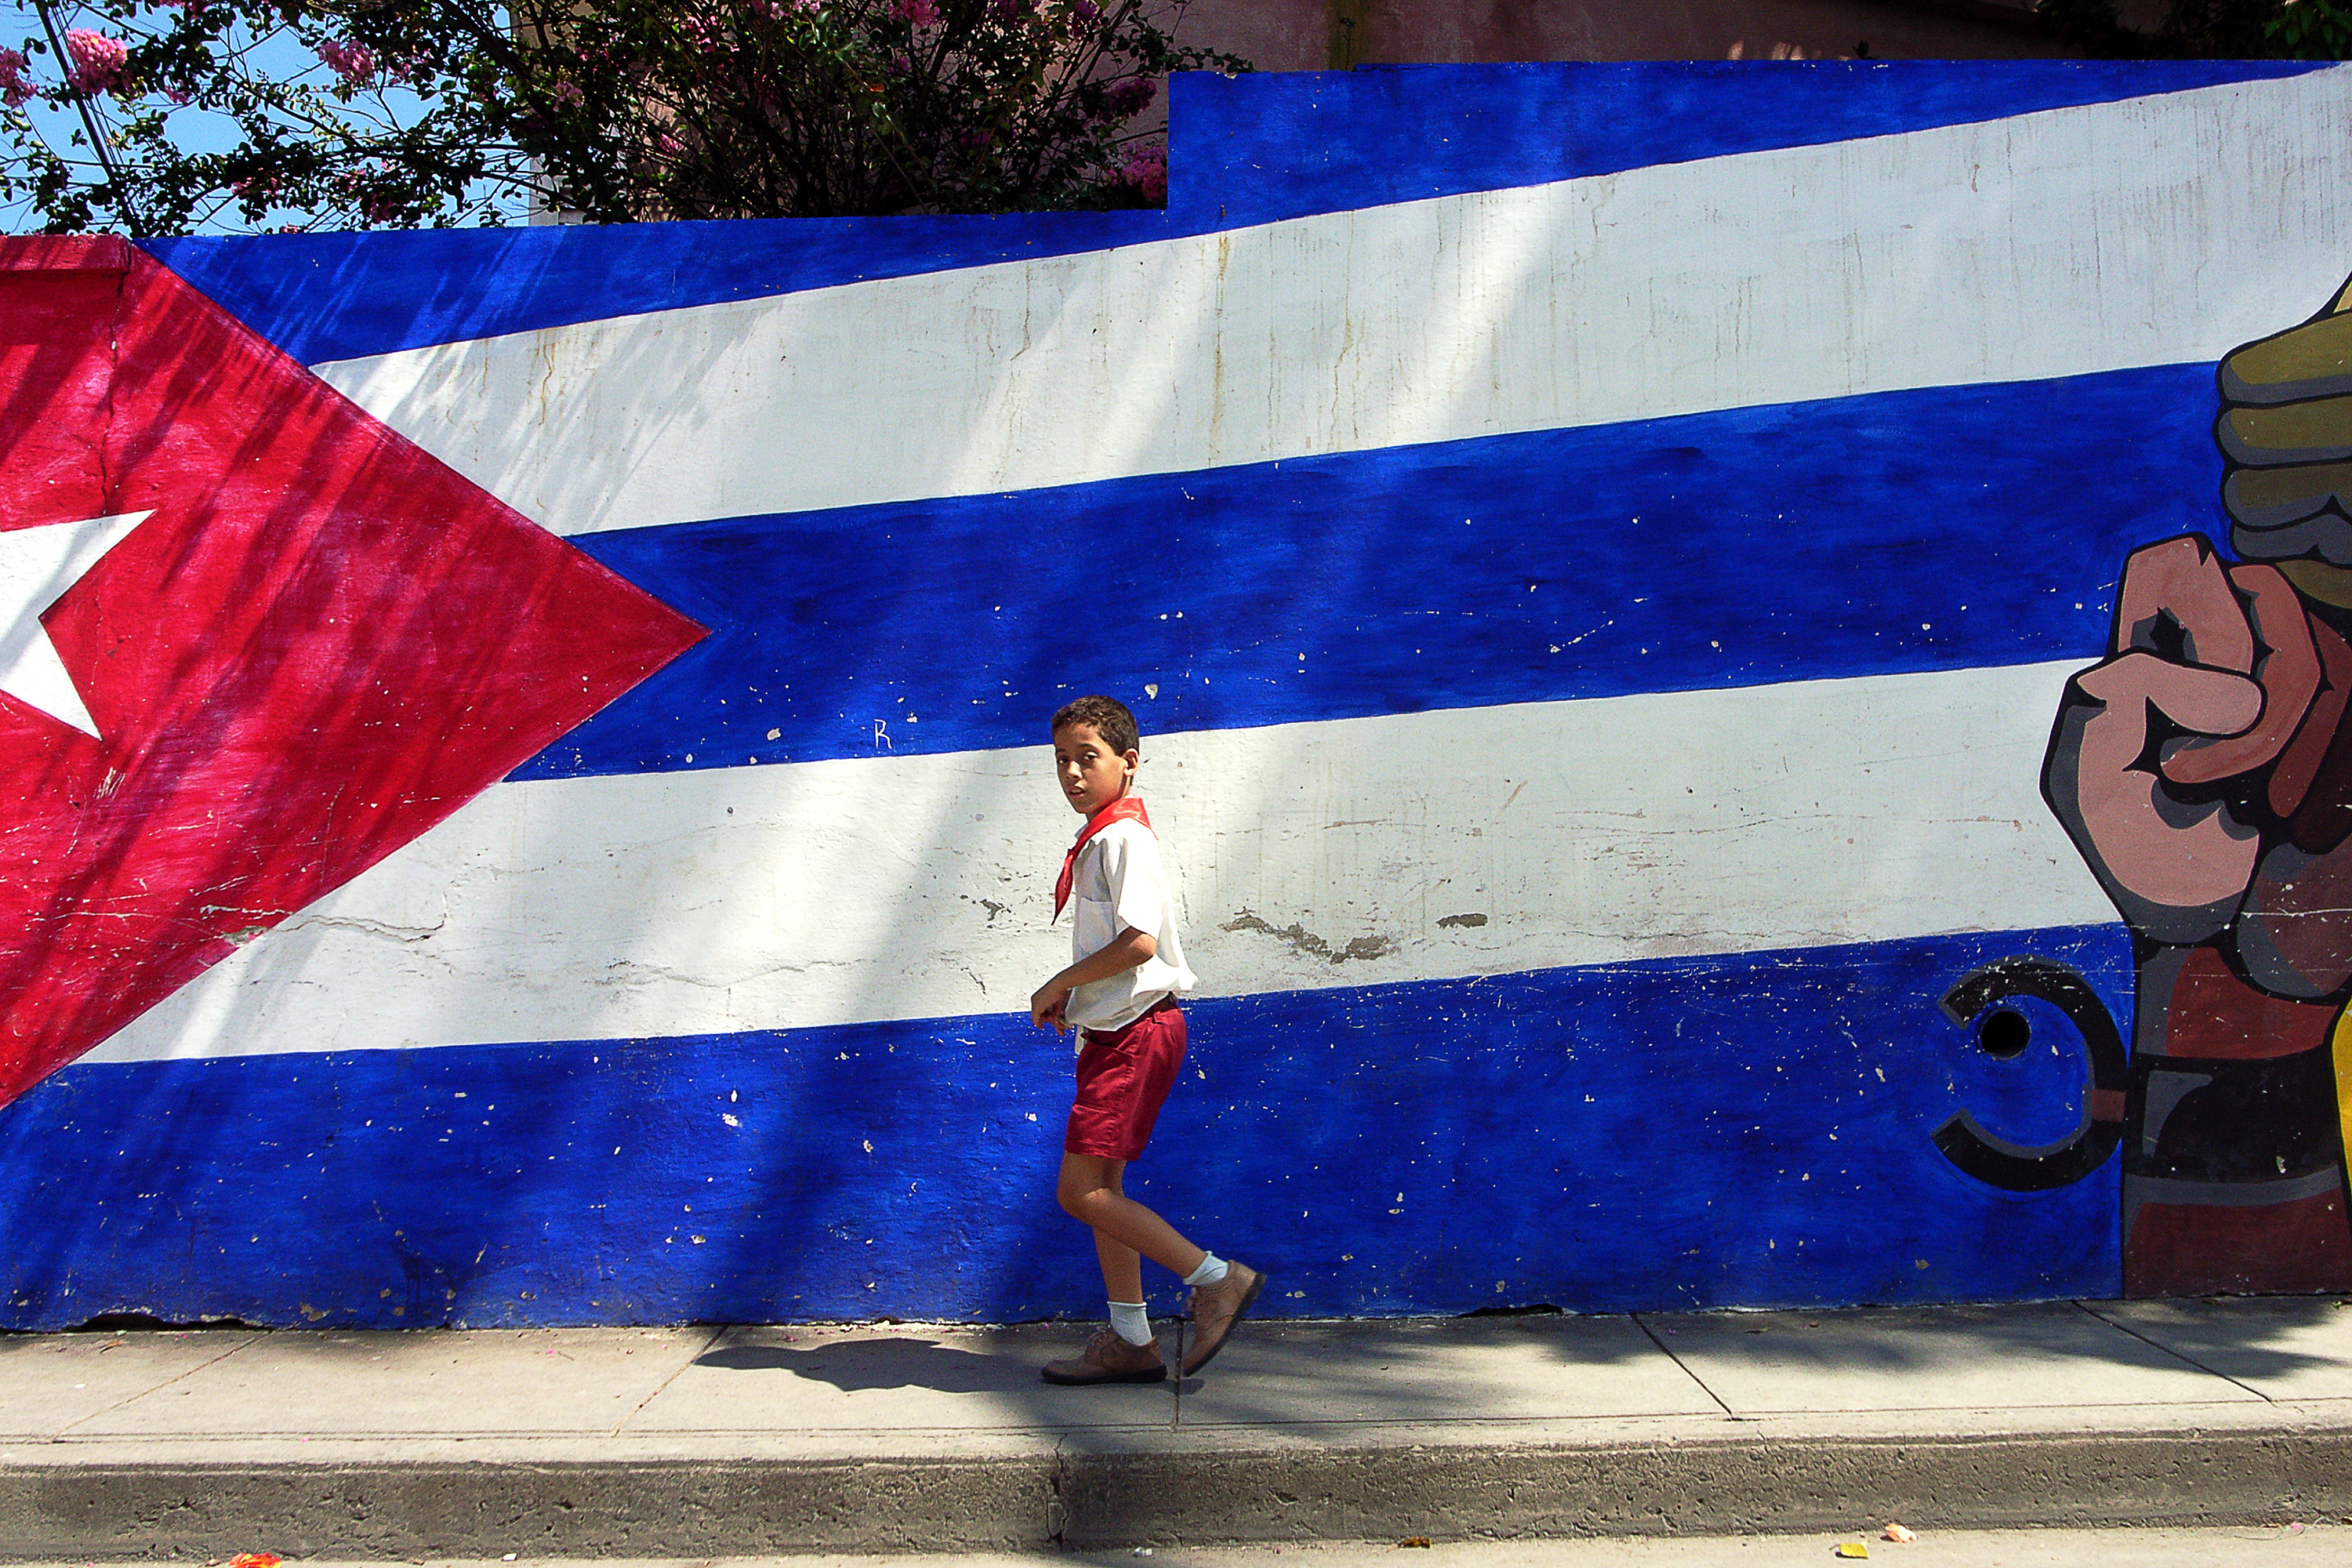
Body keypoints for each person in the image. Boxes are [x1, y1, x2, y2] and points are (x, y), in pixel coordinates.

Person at [1029, 694, 1263, 1385]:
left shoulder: (1122, 838)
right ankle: (1131, 1339)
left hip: (1136, 1035)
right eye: (1062, 761)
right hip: (1116, 1033)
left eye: (1087, 758)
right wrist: (1080, 996)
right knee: (1105, 1186)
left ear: (1128, 764)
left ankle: (1218, 1280)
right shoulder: (1105, 835)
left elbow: (1137, 943)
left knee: (1080, 1192)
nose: (1072, 773)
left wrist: (1058, 982)